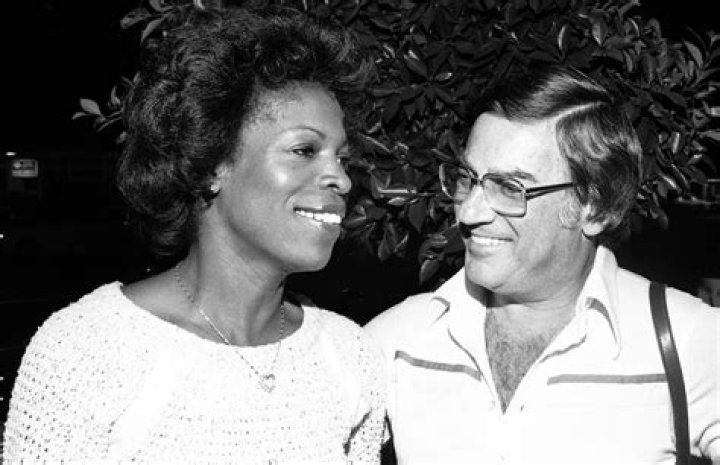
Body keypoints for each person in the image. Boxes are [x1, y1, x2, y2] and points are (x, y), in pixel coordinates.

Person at [3, 4, 385, 462]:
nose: (340, 179)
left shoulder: (348, 357)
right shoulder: (87, 352)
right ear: (211, 164)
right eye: (305, 150)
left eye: (342, 158)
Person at [366, 66, 719, 463]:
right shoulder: (396, 341)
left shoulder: (685, 341)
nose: (468, 212)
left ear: (595, 207)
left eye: (509, 188)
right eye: (468, 178)